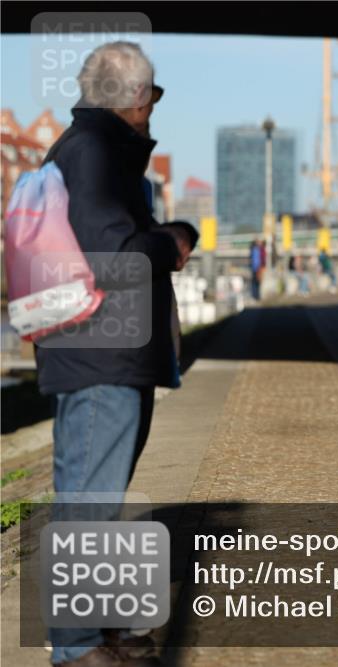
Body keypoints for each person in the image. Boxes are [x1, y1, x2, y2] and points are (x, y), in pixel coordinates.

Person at [38, 41, 186, 667]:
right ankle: (75, 646)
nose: (153, 108)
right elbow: (114, 254)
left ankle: (100, 631)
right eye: (152, 95)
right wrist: (172, 240)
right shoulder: (96, 152)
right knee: (89, 502)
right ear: (133, 98)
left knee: (93, 496)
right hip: (101, 352)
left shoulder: (86, 149)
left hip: (100, 350)